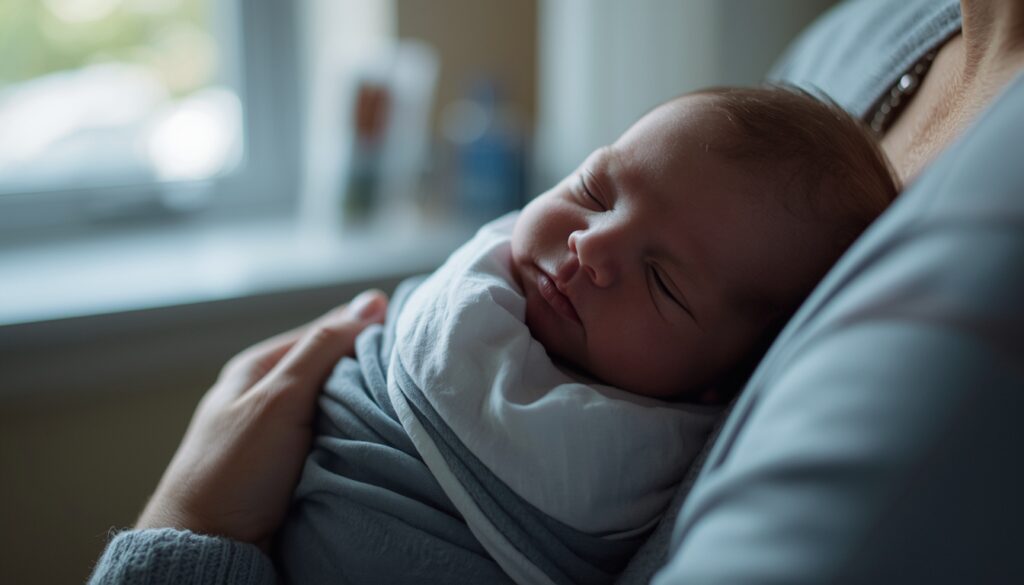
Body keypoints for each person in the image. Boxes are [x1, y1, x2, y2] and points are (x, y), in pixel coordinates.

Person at [89, 0, 1024, 582]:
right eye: (593, 189)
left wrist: (189, 524)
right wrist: (193, 522)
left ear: (717, 389)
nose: (588, 245)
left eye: (662, 279)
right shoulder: (847, 40)